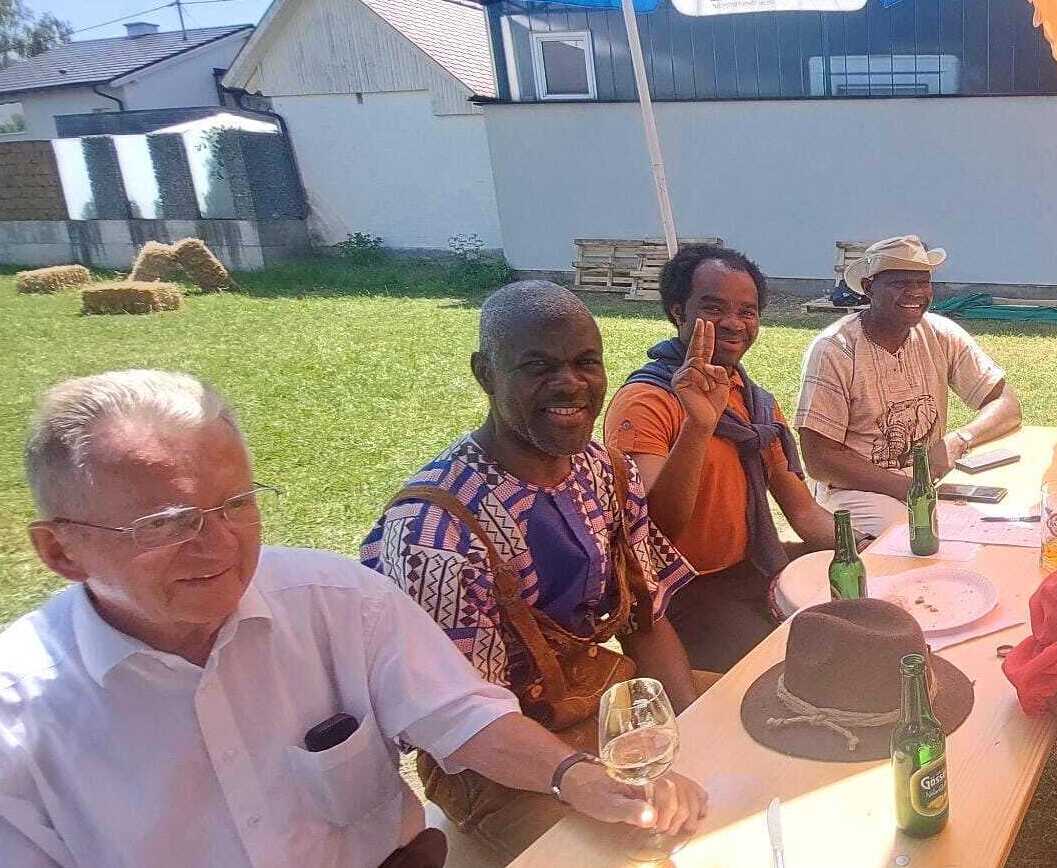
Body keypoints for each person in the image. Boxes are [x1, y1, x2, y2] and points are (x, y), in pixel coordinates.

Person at [2, 369, 707, 868]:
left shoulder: (337, 599)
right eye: (167, 521)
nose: (218, 545)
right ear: (60, 551)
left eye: (236, 504)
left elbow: (461, 713)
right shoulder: (20, 722)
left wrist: (575, 777)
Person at [362, 281, 709, 861]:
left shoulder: (604, 472)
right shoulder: (435, 533)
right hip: (493, 764)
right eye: (537, 367)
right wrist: (586, 778)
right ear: (485, 374)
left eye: (586, 362)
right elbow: (460, 723)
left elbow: (645, 621)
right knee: (628, 854)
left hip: (603, 703)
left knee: (752, 729)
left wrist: (695, 733)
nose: (570, 383)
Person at [604, 244, 850, 673]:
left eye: (747, 311)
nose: (735, 323)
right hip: (681, 592)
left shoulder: (755, 405)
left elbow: (803, 510)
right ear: (678, 312)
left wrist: (864, 545)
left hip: (753, 568)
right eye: (714, 308)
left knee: (858, 621)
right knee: (798, 667)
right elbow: (656, 528)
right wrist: (698, 426)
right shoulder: (646, 403)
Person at [796, 235, 1022, 537]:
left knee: (1004, 522)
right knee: (916, 537)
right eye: (900, 283)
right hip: (855, 491)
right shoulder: (835, 349)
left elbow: (1006, 404)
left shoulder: (940, 334)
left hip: (927, 482)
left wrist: (958, 440)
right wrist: (911, 488)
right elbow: (819, 460)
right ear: (869, 287)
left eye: (923, 282)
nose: (915, 292)